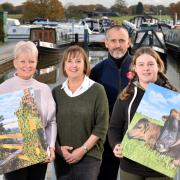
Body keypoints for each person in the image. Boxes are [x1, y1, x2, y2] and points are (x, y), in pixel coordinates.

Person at [108, 47, 177, 180]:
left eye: (151, 64)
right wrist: (116, 144)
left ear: (158, 66)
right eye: (141, 64)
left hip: (161, 168)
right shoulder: (126, 95)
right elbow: (114, 127)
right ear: (135, 68)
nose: (146, 68)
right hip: (130, 166)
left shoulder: (173, 97)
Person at [0, 41, 57, 180]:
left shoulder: (44, 89)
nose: (27, 65)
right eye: (23, 61)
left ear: (36, 63)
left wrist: (51, 147)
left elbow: (51, 122)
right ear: (15, 63)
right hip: (13, 155)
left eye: (31, 61)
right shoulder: (3, 88)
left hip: (39, 154)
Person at [52, 45, 109, 180]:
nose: (74, 65)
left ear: (85, 65)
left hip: (89, 157)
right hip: (63, 157)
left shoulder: (97, 90)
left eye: (78, 61)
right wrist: (60, 150)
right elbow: (50, 123)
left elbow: (101, 126)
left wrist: (82, 149)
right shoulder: (56, 92)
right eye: (69, 61)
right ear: (64, 66)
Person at [90, 25, 131, 180]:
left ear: (129, 42)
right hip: (106, 137)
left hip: (135, 134)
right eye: (113, 40)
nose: (117, 45)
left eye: (122, 40)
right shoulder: (96, 71)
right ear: (106, 43)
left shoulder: (140, 67)